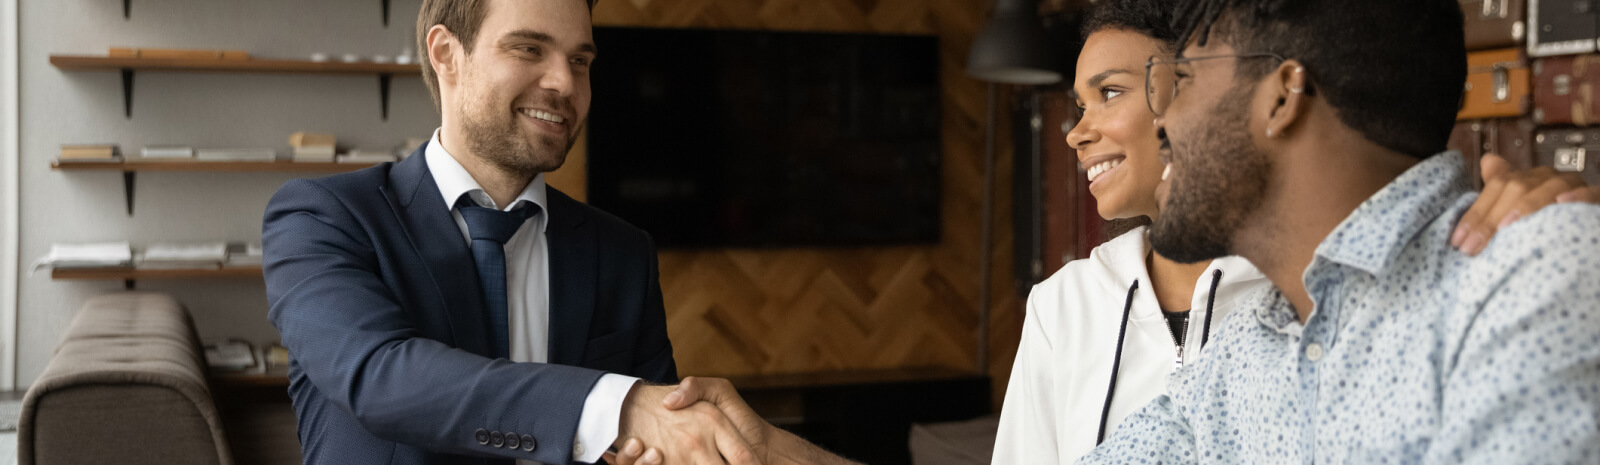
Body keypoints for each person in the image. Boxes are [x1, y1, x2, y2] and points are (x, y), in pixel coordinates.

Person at [608, 0, 1600, 463]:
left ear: (1281, 95)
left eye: (1183, 81)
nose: (1161, 120)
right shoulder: (1249, 362)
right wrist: (762, 453)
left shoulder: (1532, 271)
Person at [262, 0, 755, 464]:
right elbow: (379, 376)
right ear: (446, 54)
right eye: (529, 49)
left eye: (580, 60)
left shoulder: (624, 252)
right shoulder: (322, 217)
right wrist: (617, 406)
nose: (565, 82)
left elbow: (655, 439)